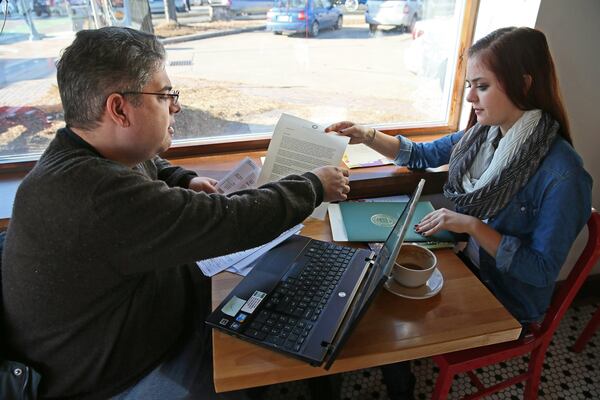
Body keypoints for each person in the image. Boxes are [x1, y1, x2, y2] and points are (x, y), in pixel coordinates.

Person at [1, 26, 350, 399]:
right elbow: (229, 221)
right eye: (165, 95)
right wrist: (313, 185)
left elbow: (148, 164)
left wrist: (183, 178)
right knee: (249, 365)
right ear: (119, 109)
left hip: (132, 321)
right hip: (115, 377)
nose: (176, 106)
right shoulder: (96, 195)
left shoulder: (84, 152)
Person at [326, 26, 592, 398]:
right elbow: (420, 155)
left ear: (524, 83)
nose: (470, 97)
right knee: (376, 281)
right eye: (470, 84)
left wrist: (470, 224)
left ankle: (398, 383)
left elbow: (540, 270)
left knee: (384, 305)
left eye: (481, 86)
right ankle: (392, 377)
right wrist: (367, 135)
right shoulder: (484, 136)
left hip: (507, 296)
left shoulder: (564, 176)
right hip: (470, 262)